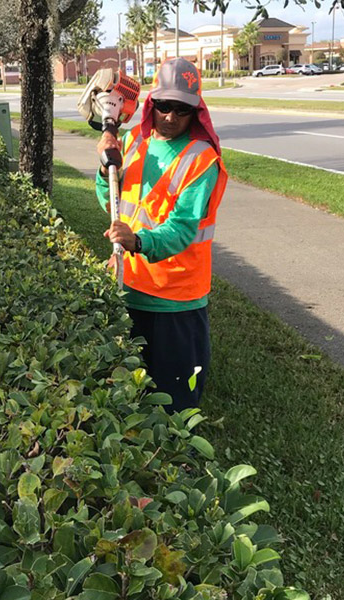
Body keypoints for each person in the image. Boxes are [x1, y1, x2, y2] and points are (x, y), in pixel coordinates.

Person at [95, 57, 228, 413]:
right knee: (130, 395)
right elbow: (111, 198)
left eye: (181, 109)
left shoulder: (201, 160)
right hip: (131, 285)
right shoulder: (134, 142)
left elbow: (183, 228)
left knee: (175, 403)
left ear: (195, 112)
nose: (170, 117)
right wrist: (105, 165)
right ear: (152, 104)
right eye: (164, 106)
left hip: (176, 299)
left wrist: (137, 242)